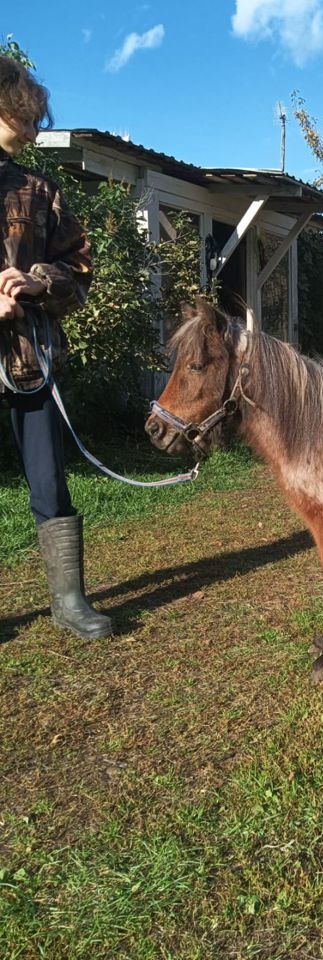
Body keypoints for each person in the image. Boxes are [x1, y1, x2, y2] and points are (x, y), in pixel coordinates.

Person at [0, 55, 113, 638]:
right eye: (27, 115)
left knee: (49, 480)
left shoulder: (40, 190)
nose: (35, 127)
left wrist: (38, 282)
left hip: (29, 361)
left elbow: (81, 270)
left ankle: (69, 603)